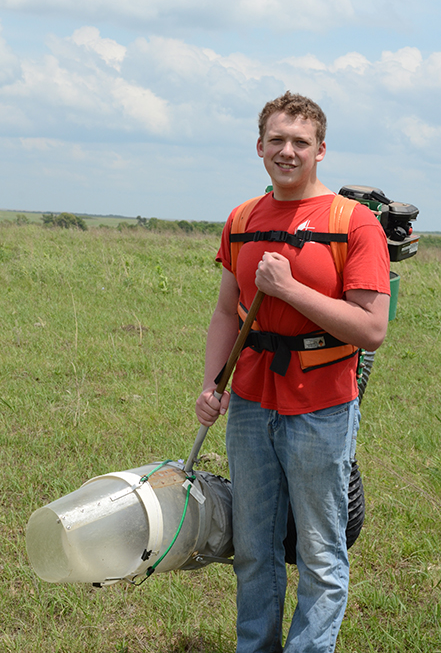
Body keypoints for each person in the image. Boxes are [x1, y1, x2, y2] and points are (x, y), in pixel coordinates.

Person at [195, 92, 390, 653]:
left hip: (321, 406)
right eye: (276, 140)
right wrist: (212, 385)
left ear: (321, 150)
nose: (287, 151)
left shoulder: (351, 223)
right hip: (253, 403)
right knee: (254, 547)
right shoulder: (241, 220)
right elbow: (223, 311)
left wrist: (290, 290)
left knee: (320, 551)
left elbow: (370, 330)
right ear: (259, 147)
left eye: (300, 142)